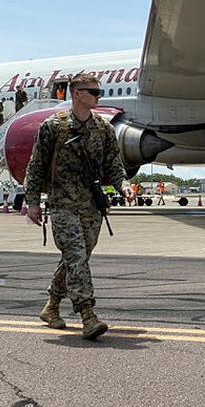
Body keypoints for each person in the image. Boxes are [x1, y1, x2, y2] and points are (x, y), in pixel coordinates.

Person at [24, 72, 133, 340]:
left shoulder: (103, 128)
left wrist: (124, 185)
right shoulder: (52, 126)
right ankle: (87, 314)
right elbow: (36, 166)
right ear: (77, 94)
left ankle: (51, 306)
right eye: (93, 92)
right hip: (62, 204)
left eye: (99, 92)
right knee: (75, 256)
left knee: (77, 259)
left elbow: (113, 164)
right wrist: (32, 203)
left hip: (91, 206)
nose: (99, 96)